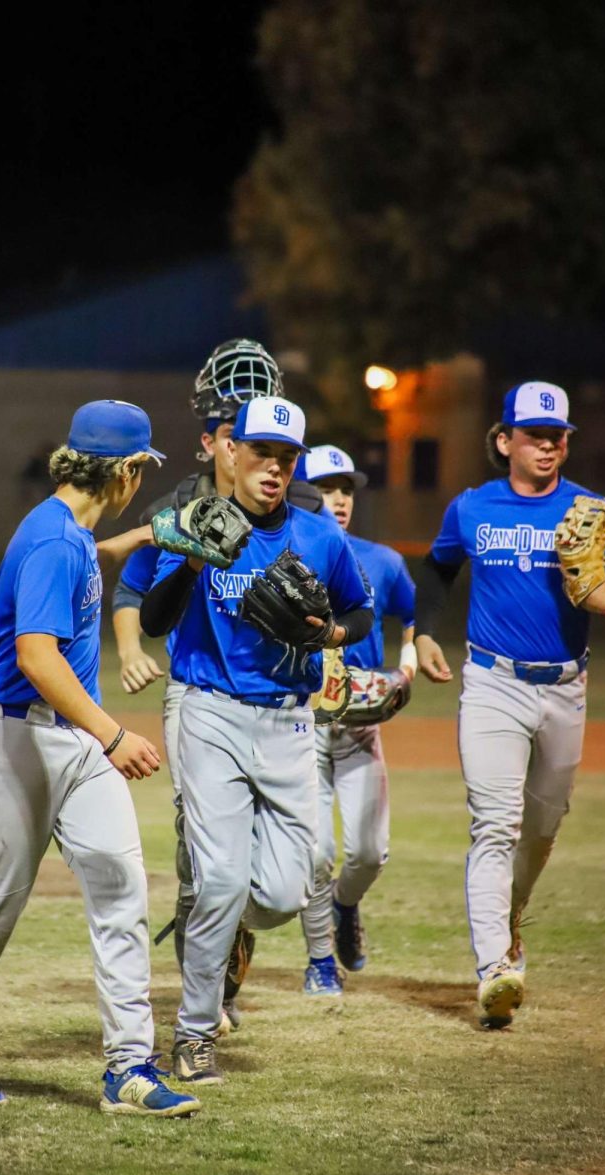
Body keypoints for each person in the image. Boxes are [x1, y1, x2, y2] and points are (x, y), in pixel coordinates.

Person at [0, 399, 201, 1118]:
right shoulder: (52, 542)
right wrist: (113, 735)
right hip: (17, 741)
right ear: (127, 471)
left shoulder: (66, 530)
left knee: (121, 892)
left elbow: (90, 559)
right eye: (143, 470)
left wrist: (150, 536)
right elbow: (36, 657)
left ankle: (129, 1067)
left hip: (68, 742)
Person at [140, 397, 374, 1084]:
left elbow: (358, 612)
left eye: (285, 458)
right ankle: (192, 1034)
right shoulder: (195, 524)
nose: (273, 468)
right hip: (211, 713)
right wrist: (188, 560)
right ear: (229, 452)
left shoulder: (318, 536)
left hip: (289, 723)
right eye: (261, 453)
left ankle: (221, 919)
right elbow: (155, 620)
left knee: (278, 893)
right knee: (217, 879)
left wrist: (330, 635)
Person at [112, 338, 325, 1033]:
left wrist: (341, 650)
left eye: (265, 440)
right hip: (198, 688)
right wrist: (127, 651)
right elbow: (133, 590)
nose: (254, 453)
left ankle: (234, 913)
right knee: (204, 846)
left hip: (282, 701)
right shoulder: (184, 502)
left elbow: (335, 604)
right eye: (236, 433)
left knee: (278, 869)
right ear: (213, 441)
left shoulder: (302, 510)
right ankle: (212, 975)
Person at [414, 381, 605, 1029]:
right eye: (535, 435)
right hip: (493, 684)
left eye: (558, 437)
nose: (550, 446)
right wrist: (421, 632)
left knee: (543, 829)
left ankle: (509, 918)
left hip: (566, 686)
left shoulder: (593, 512)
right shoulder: (473, 508)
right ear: (504, 441)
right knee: (495, 824)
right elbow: (438, 568)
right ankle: (494, 968)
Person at [300, 445, 416, 996]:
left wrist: (409, 665)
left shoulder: (383, 561)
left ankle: (345, 907)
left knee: (369, 852)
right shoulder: (284, 552)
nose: (339, 499)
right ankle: (320, 961)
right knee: (316, 851)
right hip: (300, 723)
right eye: (326, 487)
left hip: (359, 724)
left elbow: (414, 616)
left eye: (346, 488)